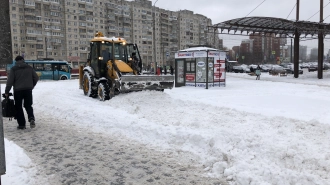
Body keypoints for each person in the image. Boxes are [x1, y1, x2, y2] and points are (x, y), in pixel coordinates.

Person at [5, 56, 39, 129]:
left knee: (18, 107)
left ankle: (22, 124)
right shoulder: (29, 68)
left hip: (18, 91)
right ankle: (31, 118)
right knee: (28, 105)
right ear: (23, 60)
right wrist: (32, 85)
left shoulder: (14, 69)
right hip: (28, 90)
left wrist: (7, 91)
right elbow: (36, 77)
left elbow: (10, 81)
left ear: (16, 61)